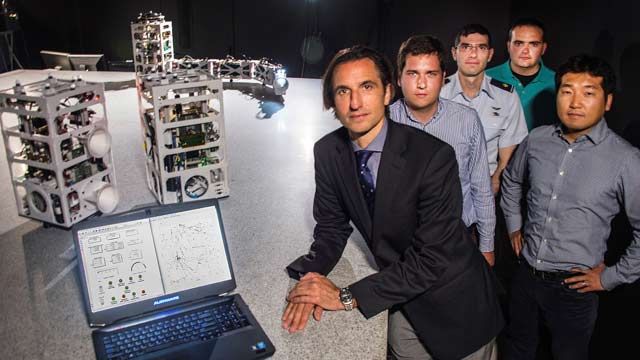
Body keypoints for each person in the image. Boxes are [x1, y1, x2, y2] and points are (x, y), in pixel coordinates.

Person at [282, 45, 503, 360]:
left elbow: (431, 260)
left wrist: (345, 297)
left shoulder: (433, 157)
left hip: (456, 304)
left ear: (388, 92)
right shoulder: (328, 152)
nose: (355, 103)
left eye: (366, 87)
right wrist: (310, 281)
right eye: (343, 91)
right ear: (331, 100)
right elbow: (331, 226)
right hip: (399, 299)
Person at [500, 54, 640, 360]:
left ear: (608, 102)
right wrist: (514, 225)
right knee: (517, 348)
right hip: (525, 275)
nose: (575, 102)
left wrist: (610, 277)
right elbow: (511, 182)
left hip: (574, 290)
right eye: (566, 91)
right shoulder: (537, 140)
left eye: (588, 93)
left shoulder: (626, 160)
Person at [389, 34, 496, 266]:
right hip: (402, 243)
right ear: (399, 78)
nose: (421, 83)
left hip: (457, 238)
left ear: (443, 78)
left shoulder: (467, 120)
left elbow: (481, 187)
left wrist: (487, 246)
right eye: (412, 73)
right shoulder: (385, 121)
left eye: (431, 74)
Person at [441, 24, 528, 194]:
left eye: (481, 48)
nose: (473, 54)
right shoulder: (438, 93)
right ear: (454, 53)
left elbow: (509, 152)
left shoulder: (507, 97)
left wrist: (495, 182)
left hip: (486, 187)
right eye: (466, 47)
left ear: (490, 54)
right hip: (441, 186)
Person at [486, 18, 556, 130]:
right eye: (519, 43)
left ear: (543, 48)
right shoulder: (485, 78)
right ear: (509, 46)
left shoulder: (558, 82)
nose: (525, 50)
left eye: (533, 44)